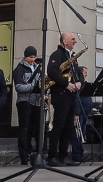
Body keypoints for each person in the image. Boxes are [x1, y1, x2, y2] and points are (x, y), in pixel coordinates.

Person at [46, 32, 85, 167]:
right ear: (64, 41)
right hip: (61, 94)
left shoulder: (72, 57)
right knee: (59, 126)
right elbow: (51, 71)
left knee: (68, 127)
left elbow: (79, 74)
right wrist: (66, 84)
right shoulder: (57, 55)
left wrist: (80, 82)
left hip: (71, 96)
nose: (75, 41)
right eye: (72, 39)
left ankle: (63, 155)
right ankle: (52, 156)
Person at [12, 46, 41, 166]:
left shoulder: (37, 68)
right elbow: (18, 87)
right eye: (30, 57)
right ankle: (24, 156)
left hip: (36, 102)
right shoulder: (19, 69)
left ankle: (37, 153)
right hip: (24, 102)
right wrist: (33, 88)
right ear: (25, 56)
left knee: (37, 129)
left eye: (34, 57)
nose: (33, 59)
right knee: (25, 129)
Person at [72, 65, 93, 162]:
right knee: (77, 133)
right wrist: (76, 112)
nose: (86, 75)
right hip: (79, 111)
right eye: (85, 73)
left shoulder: (85, 85)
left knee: (82, 132)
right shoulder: (79, 84)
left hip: (85, 111)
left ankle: (80, 152)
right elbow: (76, 99)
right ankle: (77, 153)